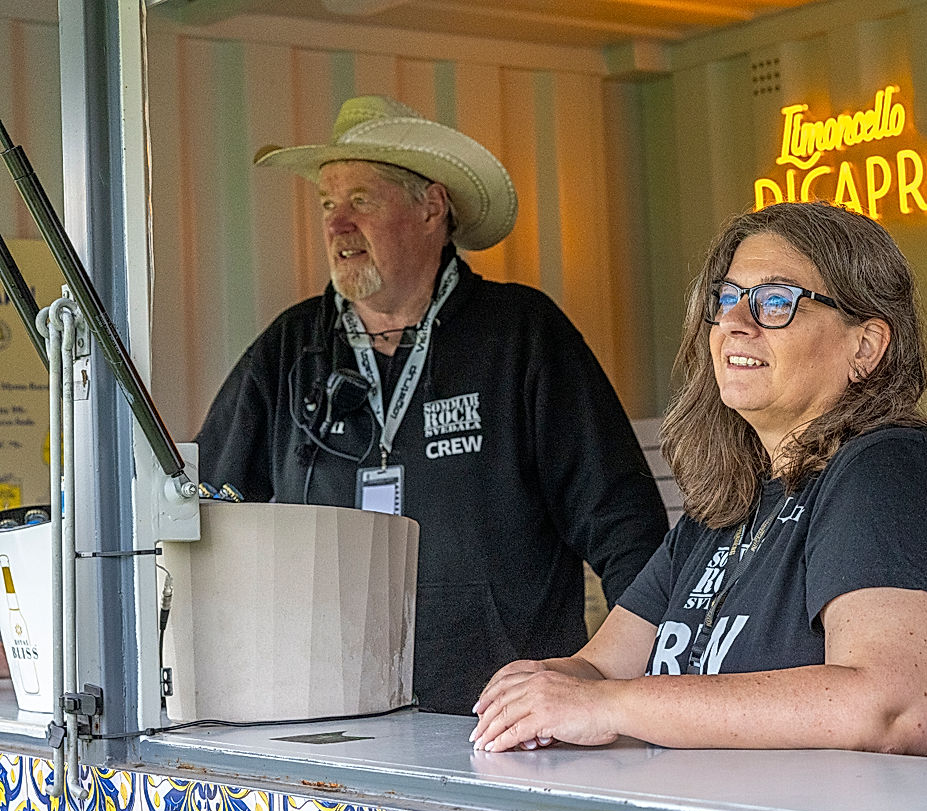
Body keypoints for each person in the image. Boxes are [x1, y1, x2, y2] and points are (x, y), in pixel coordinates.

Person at [471, 200, 927, 762]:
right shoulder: (723, 511)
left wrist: (608, 707)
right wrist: (533, 685)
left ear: (865, 347)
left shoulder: (894, 470)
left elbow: (888, 710)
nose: (736, 323)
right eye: (727, 299)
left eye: (777, 302)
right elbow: (598, 667)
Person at [196, 95, 668, 715]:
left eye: (361, 201)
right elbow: (200, 515)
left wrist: (635, 688)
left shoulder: (522, 335)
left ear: (431, 208)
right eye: (328, 204)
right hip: (324, 721)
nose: (337, 225)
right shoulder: (289, 350)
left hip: (503, 724)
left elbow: (628, 529)